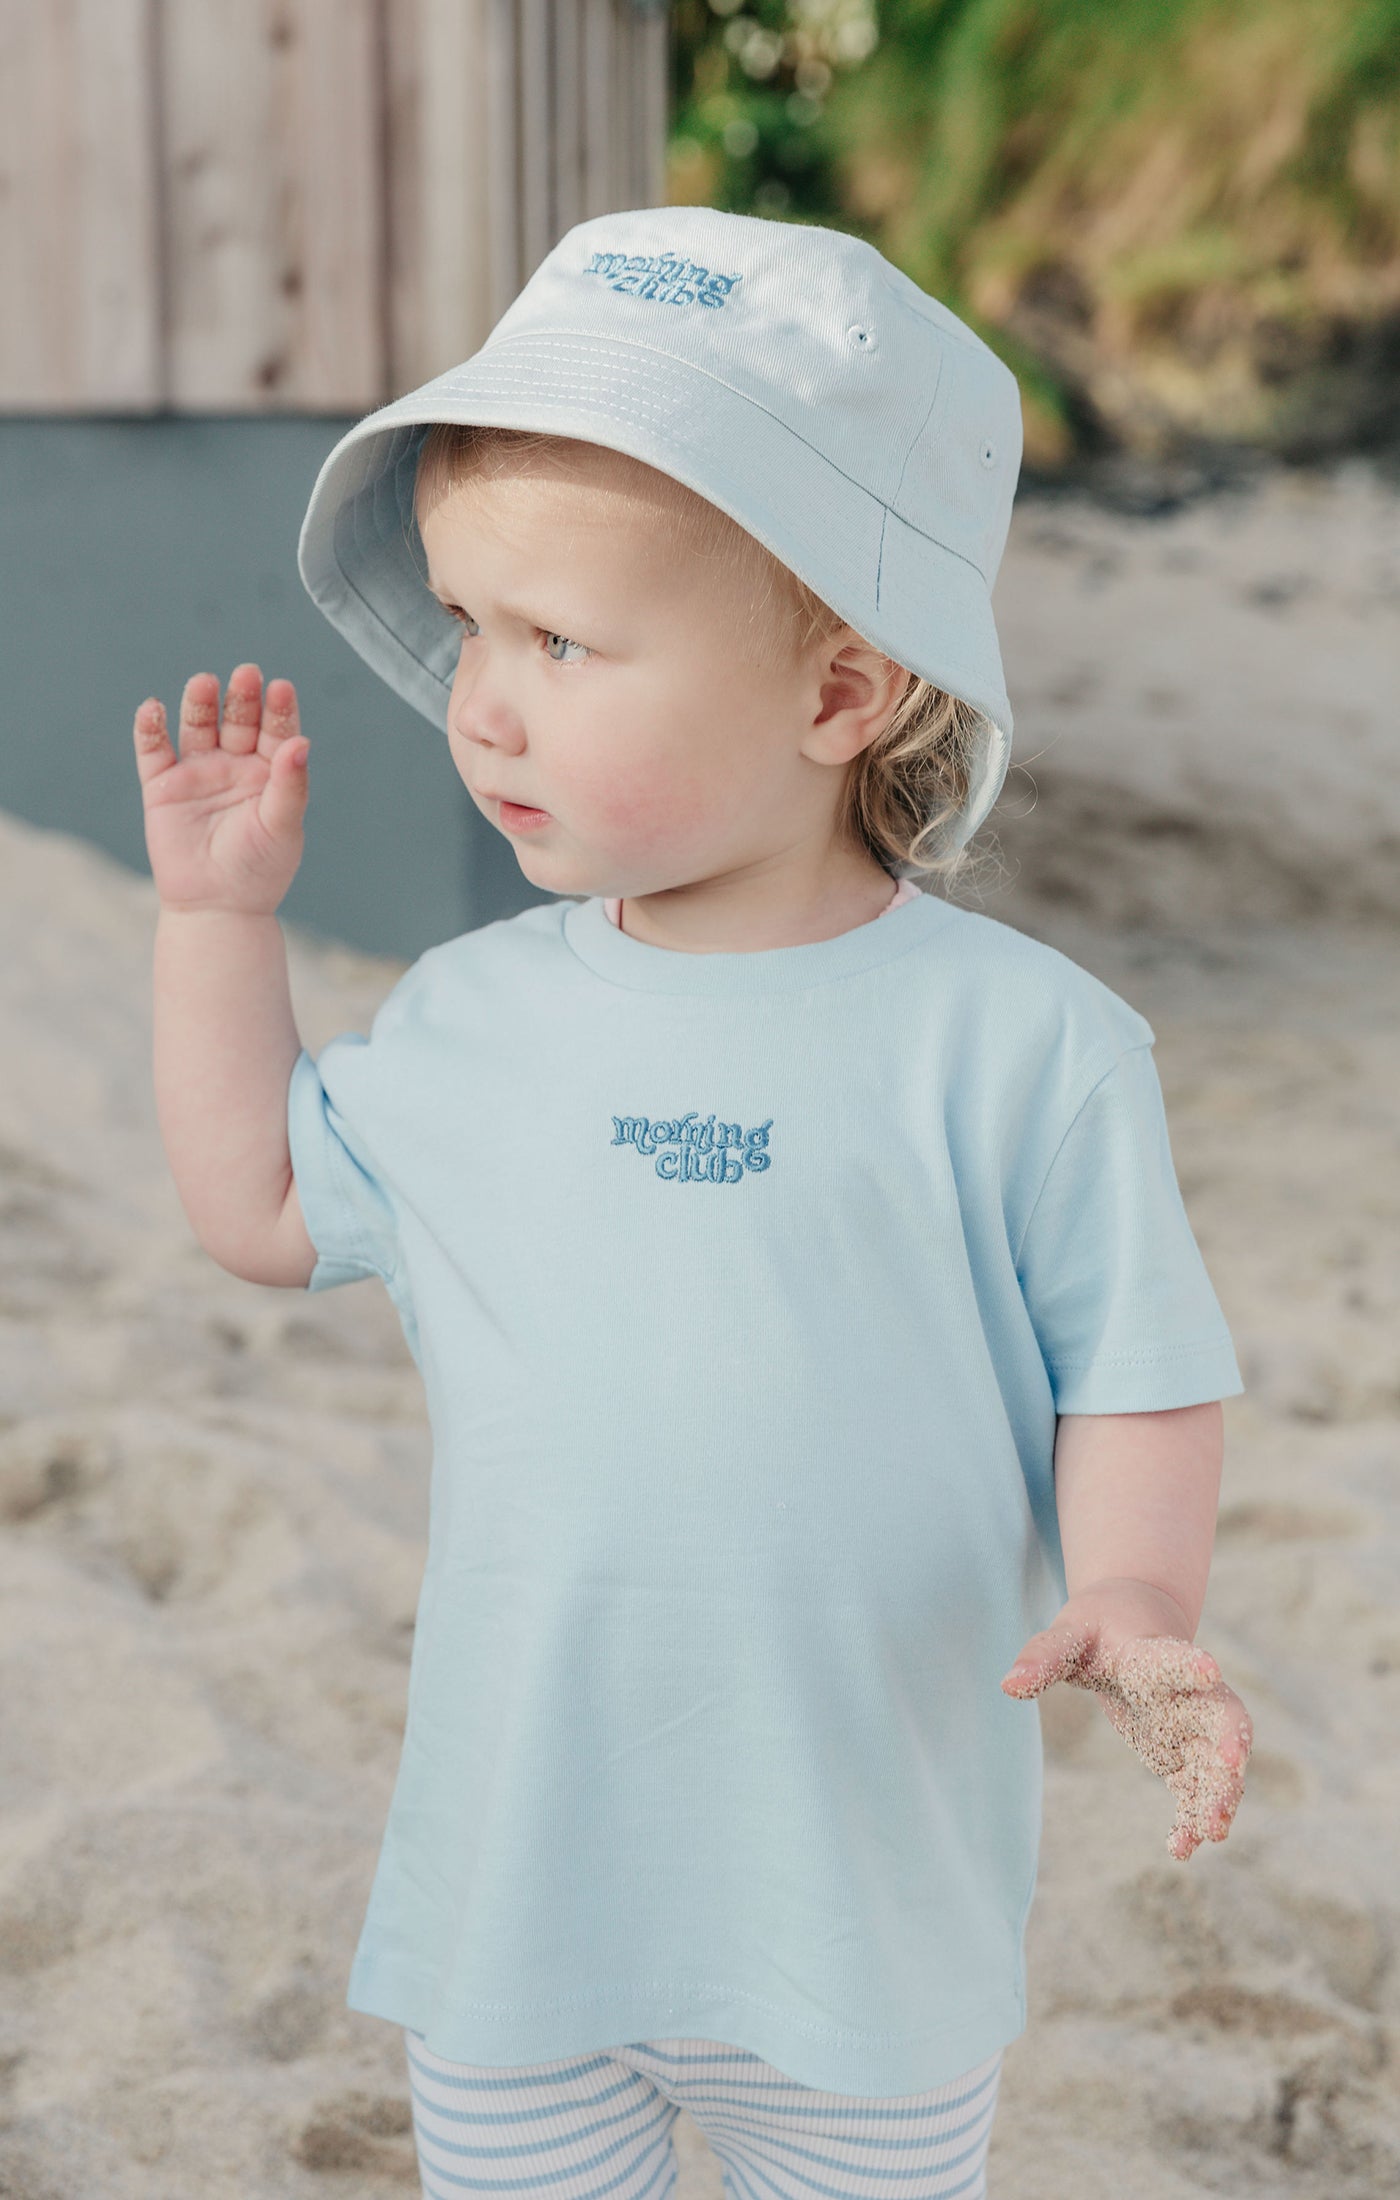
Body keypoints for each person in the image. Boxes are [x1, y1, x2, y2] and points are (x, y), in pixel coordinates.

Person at [132, 206, 1254, 2200]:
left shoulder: (1020, 1045)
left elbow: (1135, 1368)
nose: (481, 702)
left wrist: (1140, 1597)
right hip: (520, 1894)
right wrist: (218, 924)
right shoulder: (475, 1018)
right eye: (470, 623)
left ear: (841, 691)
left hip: (862, 1915)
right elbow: (265, 1205)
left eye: (559, 643)